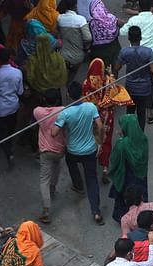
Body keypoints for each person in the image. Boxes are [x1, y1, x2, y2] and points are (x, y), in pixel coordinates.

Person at [52, 82, 106, 225]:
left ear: (69, 95)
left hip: (73, 150)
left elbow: (54, 133)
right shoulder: (90, 107)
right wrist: (99, 141)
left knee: (71, 163)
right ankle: (96, 212)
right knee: (92, 179)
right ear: (82, 93)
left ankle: (78, 185)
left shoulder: (65, 113)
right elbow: (100, 126)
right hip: (89, 149)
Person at [83, 58, 133, 182]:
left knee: (93, 138)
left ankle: (91, 165)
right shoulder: (108, 81)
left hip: (92, 116)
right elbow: (115, 94)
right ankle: (105, 167)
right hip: (107, 116)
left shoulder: (86, 84)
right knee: (106, 140)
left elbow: (84, 101)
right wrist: (110, 75)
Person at [120, 0, 153, 123]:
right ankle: (149, 112)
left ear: (138, 7)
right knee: (150, 84)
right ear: (150, 7)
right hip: (149, 57)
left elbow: (122, 31)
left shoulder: (134, 20)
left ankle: (131, 113)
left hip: (133, 55)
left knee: (132, 80)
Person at [108, 114, 149, 223]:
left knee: (124, 198)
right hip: (140, 175)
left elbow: (114, 160)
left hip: (126, 175)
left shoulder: (122, 144)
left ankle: (123, 219)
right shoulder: (143, 140)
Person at [33, 90, 66, 224]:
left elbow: (37, 109)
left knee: (43, 179)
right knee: (57, 167)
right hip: (59, 148)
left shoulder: (38, 112)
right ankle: (53, 187)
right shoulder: (63, 111)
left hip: (45, 150)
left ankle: (46, 210)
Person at [0, 47, 24, 165]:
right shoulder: (17, 72)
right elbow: (20, 92)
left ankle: (8, 152)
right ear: (9, 58)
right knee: (10, 129)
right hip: (13, 107)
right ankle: (9, 147)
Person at [116, 26, 153, 130]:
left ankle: (129, 135)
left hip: (131, 87)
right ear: (140, 38)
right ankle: (140, 135)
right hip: (144, 88)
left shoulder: (124, 52)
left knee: (130, 112)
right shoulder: (148, 52)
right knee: (141, 112)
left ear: (129, 38)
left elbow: (117, 67)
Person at [57, 0, 92, 81]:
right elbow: (88, 38)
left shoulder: (60, 19)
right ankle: (68, 86)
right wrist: (86, 48)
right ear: (75, 6)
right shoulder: (80, 20)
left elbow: (57, 34)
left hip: (62, 55)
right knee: (72, 74)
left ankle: (63, 87)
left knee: (63, 75)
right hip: (77, 56)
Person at [89, 0, 122, 69]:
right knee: (113, 71)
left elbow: (89, 38)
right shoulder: (111, 18)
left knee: (101, 71)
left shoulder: (92, 24)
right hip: (114, 49)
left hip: (99, 52)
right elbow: (121, 24)